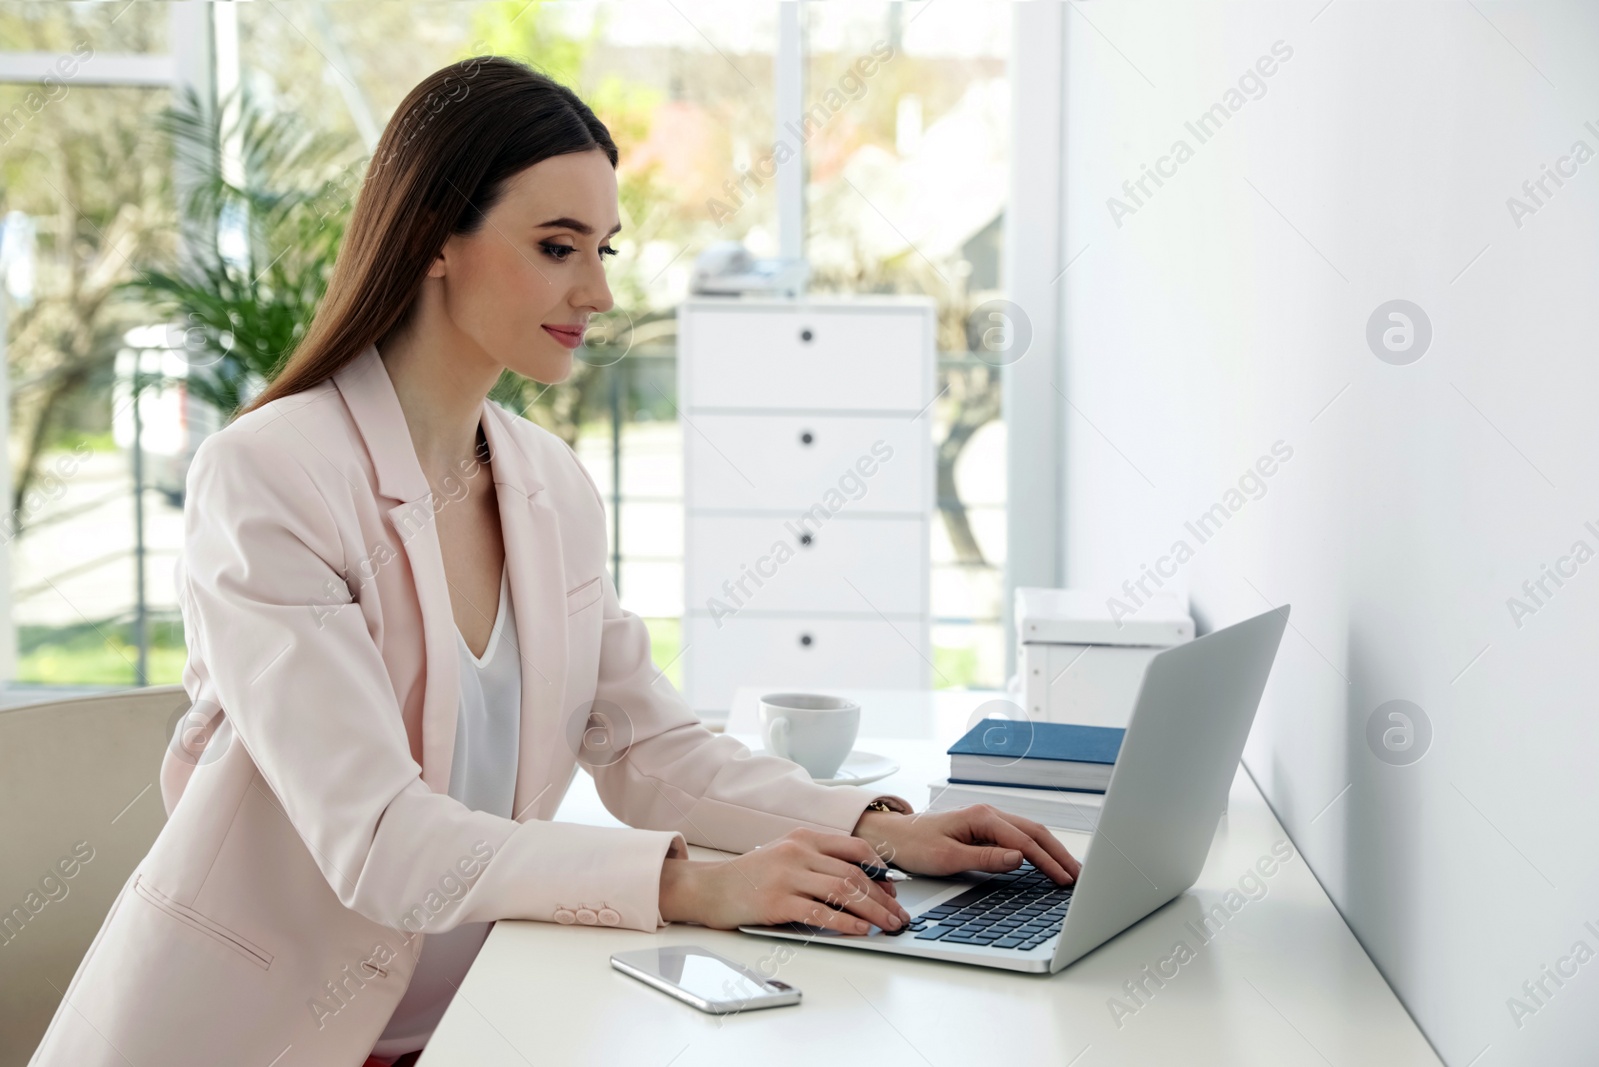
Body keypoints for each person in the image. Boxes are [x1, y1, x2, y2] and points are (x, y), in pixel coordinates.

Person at [31, 57, 1080, 1067]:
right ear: (437, 238)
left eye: (604, 250)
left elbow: (647, 747)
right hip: (265, 1033)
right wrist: (687, 883)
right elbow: (380, 838)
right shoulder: (267, 476)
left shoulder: (549, 482)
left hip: (487, 1012)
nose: (596, 291)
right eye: (556, 246)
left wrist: (880, 830)